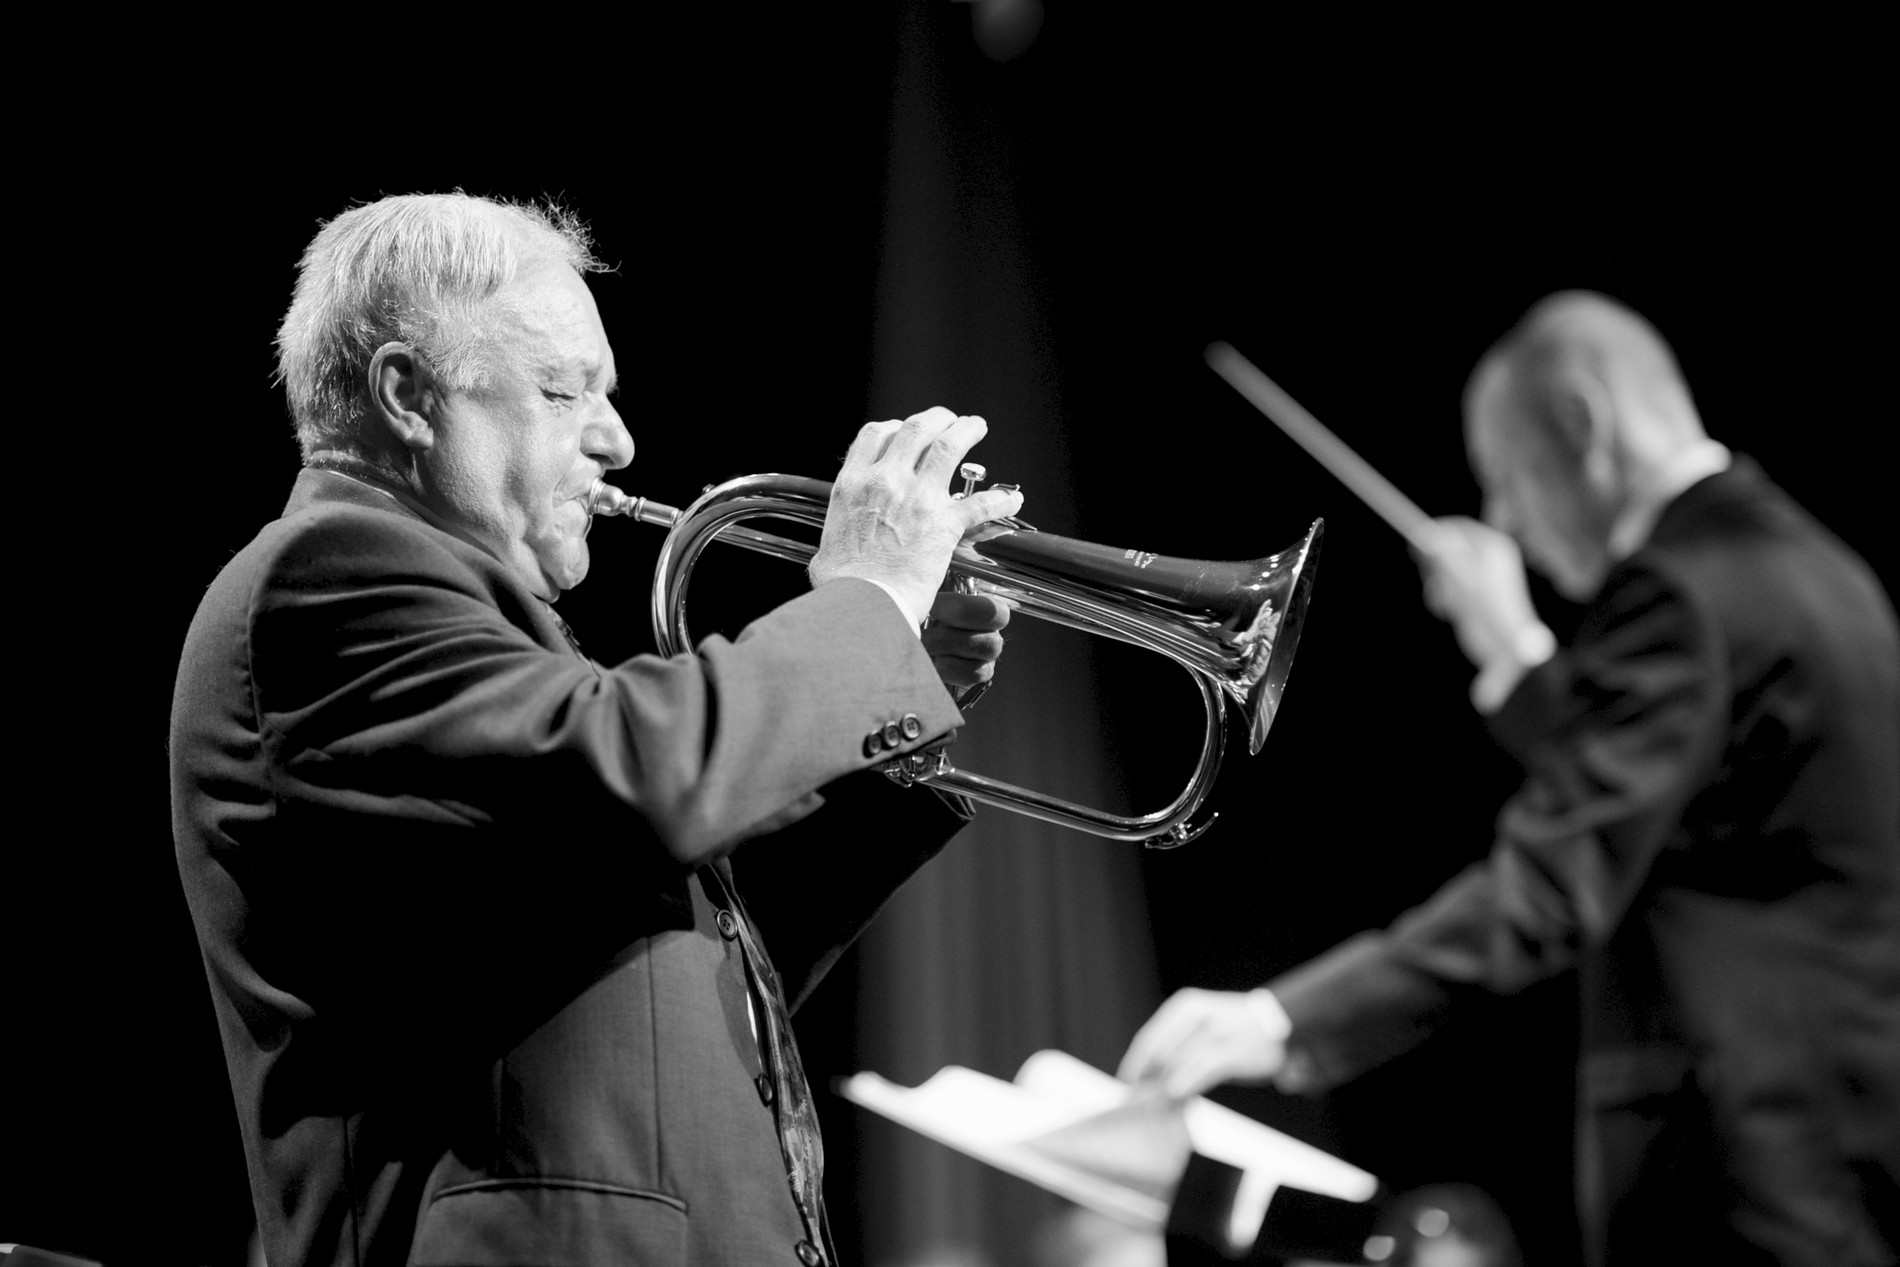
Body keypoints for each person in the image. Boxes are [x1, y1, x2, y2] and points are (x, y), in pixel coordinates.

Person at [169, 192, 1023, 1267]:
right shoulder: (327, 578)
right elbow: (643, 774)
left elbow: (706, 953)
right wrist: (864, 610)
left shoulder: (476, 636)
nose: (616, 439)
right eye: (565, 389)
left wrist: (891, 698)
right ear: (408, 394)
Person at [1119, 293, 1900, 1266]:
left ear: (1580, 424)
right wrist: (1517, 650)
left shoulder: (1674, 589)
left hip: (1739, 1163)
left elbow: (1552, 878)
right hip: (1834, 1136)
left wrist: (1281, 1020)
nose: (1505, 522)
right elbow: (1669, 802)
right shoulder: (1815, 571)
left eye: (1506, 479)